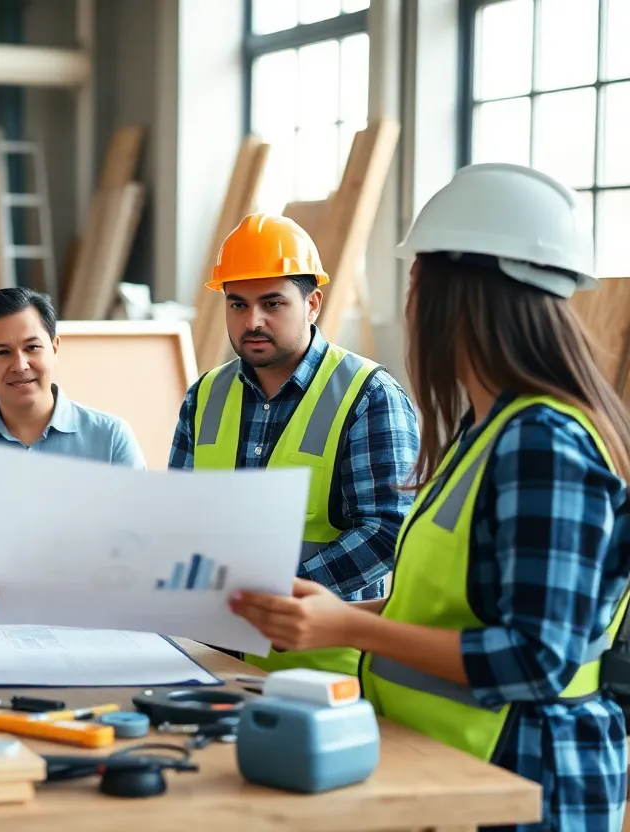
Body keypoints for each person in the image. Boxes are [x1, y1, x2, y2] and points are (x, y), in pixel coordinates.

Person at [230, 163, 630, 832]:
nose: (411, 301)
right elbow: (463, 598)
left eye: (417, 280)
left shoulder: (543, 443)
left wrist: (349, 628)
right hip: (454, 765)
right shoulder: (489, 430)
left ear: (461, 294)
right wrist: (342, 609)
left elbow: (537, 656)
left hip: (525, 780)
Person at [171, 213, 420, 675]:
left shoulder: (369, 395)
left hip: (323, 667)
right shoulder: (204, 396)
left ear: (313, 304)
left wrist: (275, 598)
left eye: (272, 303)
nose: (253, 321)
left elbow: (388, 530)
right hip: (212, 656)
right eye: (237, 305)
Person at [0, 287, 145, 558]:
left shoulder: (111, 437)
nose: (20, 364)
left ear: (54, 348)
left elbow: (138, 541)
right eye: (2, 352)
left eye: (32, 347)